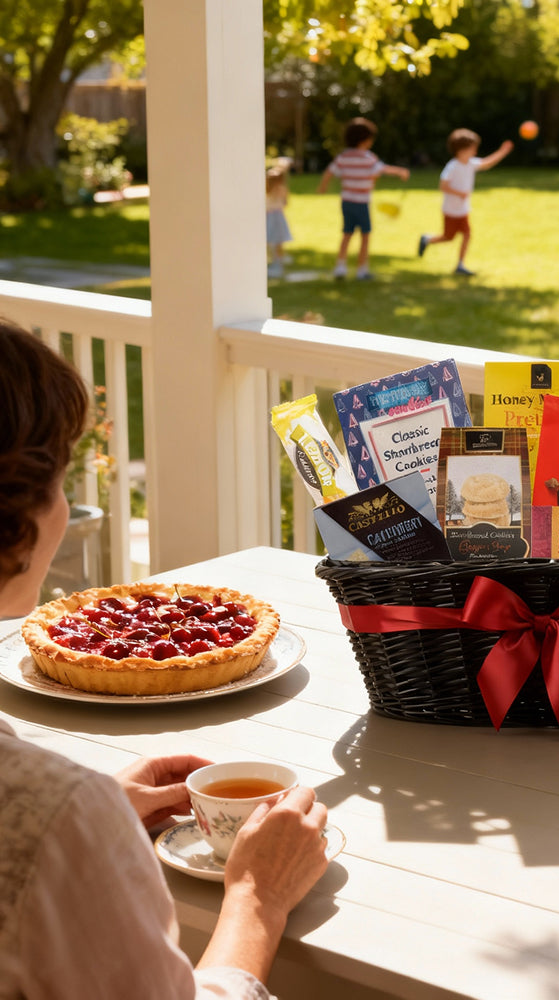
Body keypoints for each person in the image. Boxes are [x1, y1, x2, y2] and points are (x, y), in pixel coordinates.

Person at [0, 318, 330, 998]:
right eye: (61, 480)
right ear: (19, 514)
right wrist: (257, 898)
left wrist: (89, 822)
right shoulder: (53, 814)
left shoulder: (55, 813)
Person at [317, 117, 410, 280]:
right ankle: (362, 270)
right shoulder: (368, 158)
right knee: (365, 235)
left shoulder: (343, 157)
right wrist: (401, 172)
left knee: (347, 234)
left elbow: (329, 171)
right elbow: (383, 169)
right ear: (365, 140)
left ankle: (340, 267)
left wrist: (323, 187)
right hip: (361, 203)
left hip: (346, 201)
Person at [417, 128, 514, 277]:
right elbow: (443, 186)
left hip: (463, 210)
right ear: (461, 150)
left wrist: (503, 151)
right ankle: (427, 240)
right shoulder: (453, 166)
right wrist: (460, 193)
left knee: (467, 234)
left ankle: (460, 265)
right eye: (472, 148)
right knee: (448, 237)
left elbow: (487, 163)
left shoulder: (471, 163)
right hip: (450, 210)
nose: (475, 152)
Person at [265, 158, 293, 279]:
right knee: (277, 242)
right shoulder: (281, 189)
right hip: (276, 216)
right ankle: (278, 264)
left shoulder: (267, 190)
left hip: (269, 216)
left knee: (271, 242)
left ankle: (276, 263)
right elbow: (286, 202)